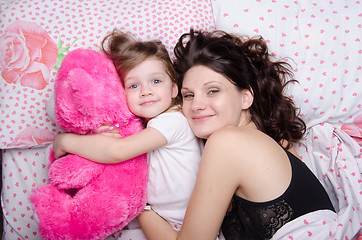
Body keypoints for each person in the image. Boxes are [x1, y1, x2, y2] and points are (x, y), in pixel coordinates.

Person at [137, 29, 336, 240]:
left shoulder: (226, 142)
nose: (196, 105)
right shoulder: (275, 143)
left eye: (213, 90)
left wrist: (139, 207)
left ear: (245, 98)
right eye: (188, 95)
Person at [53, 30, 204, 233]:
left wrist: (66, 141)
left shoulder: (173, 120)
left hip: (182, 222)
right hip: (160, 218)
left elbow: (117, 151)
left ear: (174, 89)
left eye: (156, 81)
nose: (146, 91)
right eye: (133, 85)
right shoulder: (143, 127)